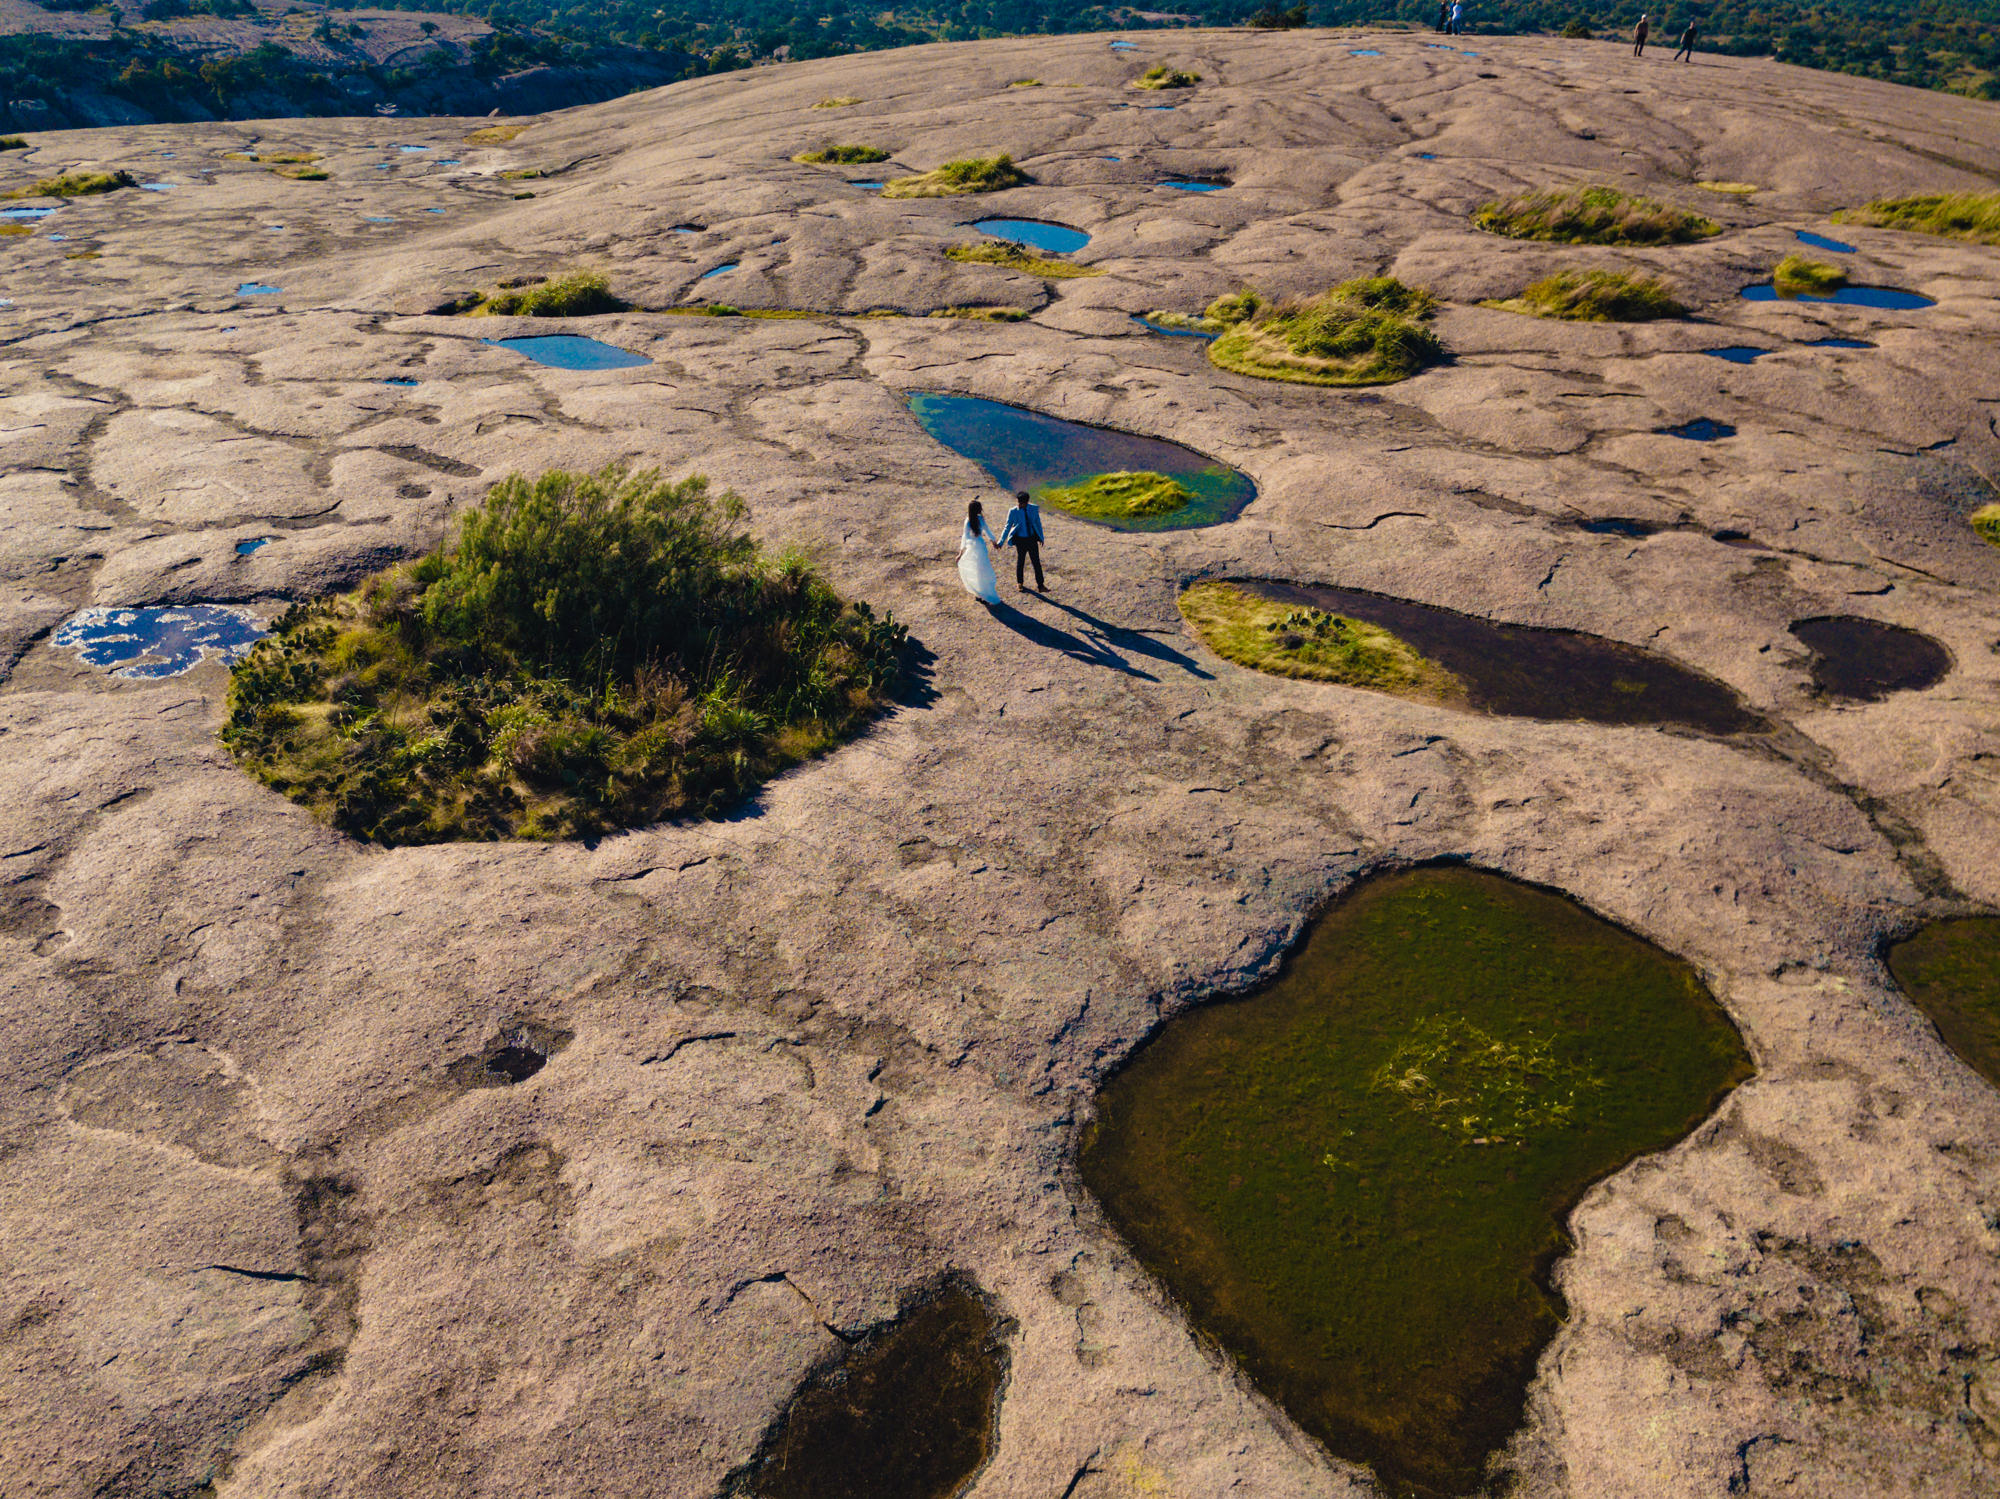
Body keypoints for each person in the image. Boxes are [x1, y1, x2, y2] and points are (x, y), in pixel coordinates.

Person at [996, 489, 1046, 593]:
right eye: (1018, 502)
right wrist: (1001, 542)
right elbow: (1007, 526)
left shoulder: (1034, 509)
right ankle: (1020, 583)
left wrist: (1041, 537)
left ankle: (1040, 585)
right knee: (1021, 562)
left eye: (1021, 503)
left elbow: (1038, 523)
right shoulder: (1013, 511)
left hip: (1032, 539)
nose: (1019, 505)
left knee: (1036, 562)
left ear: (1027, 502)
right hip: (1020, 540)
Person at [958, 497, 1001, 604]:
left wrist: (961, 553)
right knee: (983, 570)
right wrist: (994, 542)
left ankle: (978, 593)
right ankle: (984, 593)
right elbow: (988, 531)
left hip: (971, 548)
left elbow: (965, 537)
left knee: (974, 570)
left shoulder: (967, 520)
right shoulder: (980, 519)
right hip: (980, 547)